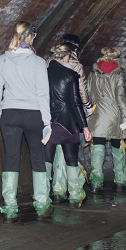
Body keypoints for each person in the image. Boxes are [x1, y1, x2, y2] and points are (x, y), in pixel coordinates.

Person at [0, 21, 53, 224]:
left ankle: (9, 208)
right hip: (33, 114)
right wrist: (47, 123)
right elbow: (43, 94)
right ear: (30, 37)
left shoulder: (2, 60)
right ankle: (42, 206)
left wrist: (0, 110)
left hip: (10, 114)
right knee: (37, 156)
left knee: (11, 157)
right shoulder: (37, 62)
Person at [45, 34, 92, 202]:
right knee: (70, 157)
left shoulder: (46, 65)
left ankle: (55, 191)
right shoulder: (75, 68)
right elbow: (80, 94)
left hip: (49, 118)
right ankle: (74, 195)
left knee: (53, 154)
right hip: (69, 116)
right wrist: (86, 112)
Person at [87, 47, 126, 193]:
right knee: (117, 146)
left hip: (97, 113)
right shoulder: (118, 73)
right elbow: (120, 97)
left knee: (97, 146)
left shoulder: (93, 73)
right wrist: (125, 116)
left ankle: (96, 182)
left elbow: (89, 94)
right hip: (114, 114)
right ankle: (120, 180)